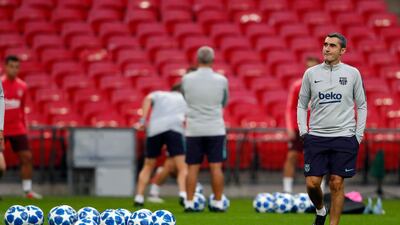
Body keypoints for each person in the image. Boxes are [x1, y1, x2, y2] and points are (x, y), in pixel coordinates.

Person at [297, 33, 367, 225]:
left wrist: (357, 136)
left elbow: (361, 105)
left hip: (344, 136)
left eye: (332, 46)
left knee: (336, 182)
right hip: (317, 137)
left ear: (342, 50)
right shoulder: (310, 74)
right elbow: (302, 104)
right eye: (325, 44)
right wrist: (304, 130)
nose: (327, 48)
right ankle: (321, 210)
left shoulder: (353, 73)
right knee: (312, 184)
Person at [182, 46, 229, 212]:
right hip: (215, 128)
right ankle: (217, 203)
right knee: (215, 167)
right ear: (213, 60)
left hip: (194, 129)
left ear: (197, 59)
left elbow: (185, 99)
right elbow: (224, 102)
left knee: (192, 167)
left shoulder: (186, 79)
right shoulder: (221, 79)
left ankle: (189, 202)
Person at [133, 83, 188, 206]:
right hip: (174, 130)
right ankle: (183, 194)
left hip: (155, 129)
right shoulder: (185, 99)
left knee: (148, 165)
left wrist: (143, 120)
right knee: (182, 167)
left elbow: (147, 99)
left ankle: (139, 196)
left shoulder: (159, 94)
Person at [2, 55, 42, 199]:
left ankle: (27, 191)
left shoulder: (23, 86)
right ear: (5, 67)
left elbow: (22, 109)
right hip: (1, 129)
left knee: (27, 157)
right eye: (11, 66)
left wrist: (24, 128)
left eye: (17, 67)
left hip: (17, 128)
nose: (14, 70)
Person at [283, 56, 320, 194]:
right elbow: (290, 108)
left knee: (319, 159)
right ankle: (287, 191)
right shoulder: (297, 85)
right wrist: (290, 127)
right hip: (299, 127)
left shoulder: (325, 86)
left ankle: (319, 191)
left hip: (317, 128)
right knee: (292, 156)